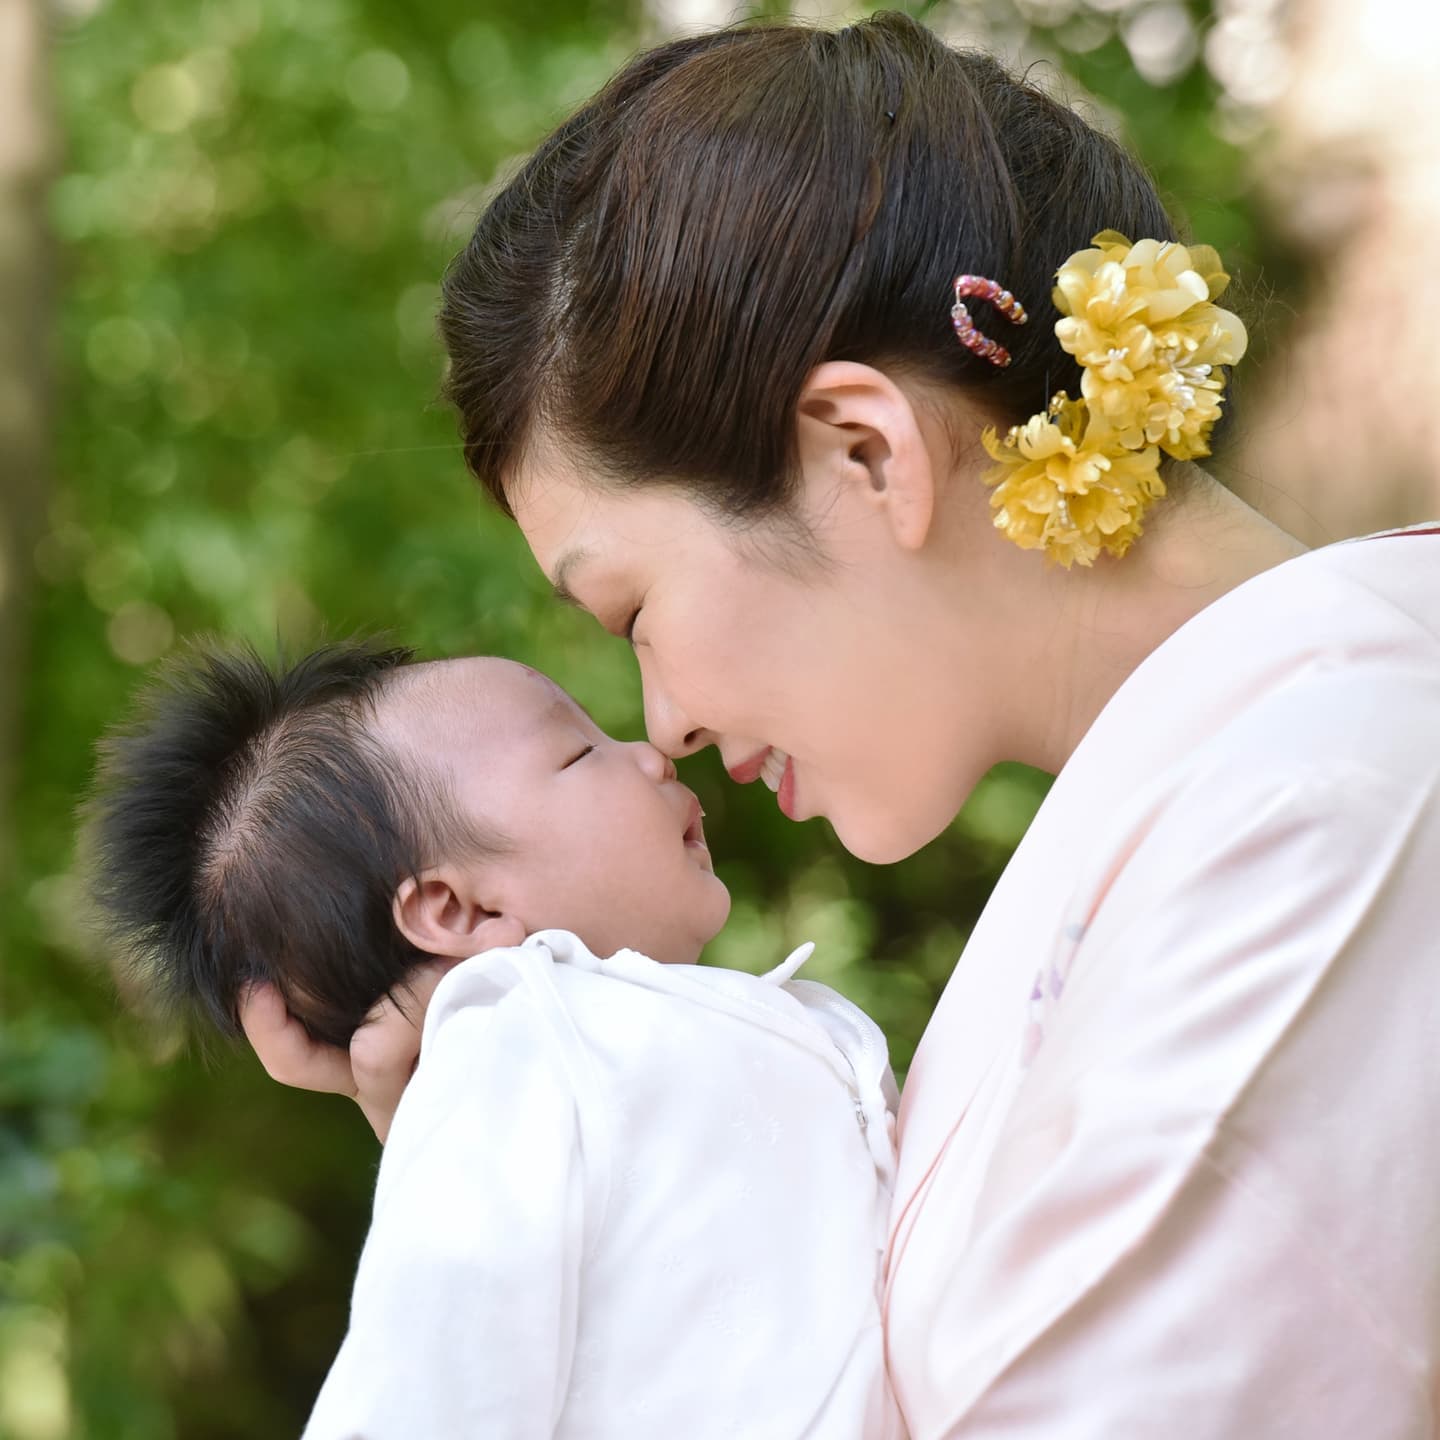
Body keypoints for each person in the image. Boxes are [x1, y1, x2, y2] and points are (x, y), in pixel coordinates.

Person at [241, 13, 1440, 1437]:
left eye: (630, 613)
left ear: (864, 454)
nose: (666, 723)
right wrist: (539, 1212)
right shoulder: (1234, 788)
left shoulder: (1319, 798)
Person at [88, 641, 903, 1439]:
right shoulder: (514, 1051)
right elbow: (419, 1382)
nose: (652, 755)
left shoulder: (592, 1041)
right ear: (456, 911)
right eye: (580, 753)